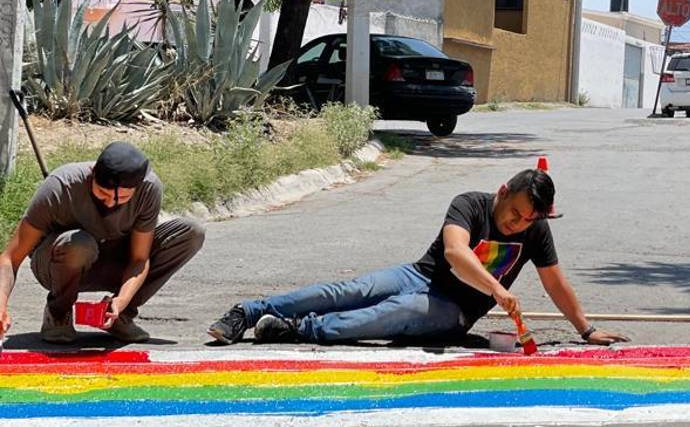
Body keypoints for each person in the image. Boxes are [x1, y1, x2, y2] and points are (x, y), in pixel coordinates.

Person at [208, 169, 627, 346]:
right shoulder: (470, 203)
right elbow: (455, 252)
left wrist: (586, 330)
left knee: (389, 314)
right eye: (516, 214)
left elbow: (555, 282)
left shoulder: (536, 229)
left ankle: (294, 330)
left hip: (454, 310)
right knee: (350, 290)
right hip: (420, 275)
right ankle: (247, 312)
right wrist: (498, 288)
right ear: (501, 193)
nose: (520, 224)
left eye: (529, 220)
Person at [0, 142, 205, 344]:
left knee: (191, 232)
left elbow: (140, 258)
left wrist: (122, 301)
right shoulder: (61, 186)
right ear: (92, 173)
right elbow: (10, 258)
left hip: (112, 261)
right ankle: (58, 314)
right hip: (58, 263)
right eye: (102, 194)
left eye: (122, 198)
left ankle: (118, 316)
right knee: (79, 243)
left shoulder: (149, 190)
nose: (110, 203)